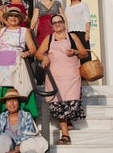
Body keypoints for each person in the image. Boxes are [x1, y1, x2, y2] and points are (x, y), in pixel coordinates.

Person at [35, 14, 88, 145]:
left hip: (71, 76)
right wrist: (44, 57)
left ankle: (68, 120)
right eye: (54, 23)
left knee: (70, 101)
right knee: (59, 103)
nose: (57, 24)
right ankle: (65, 134)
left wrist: (75, 52)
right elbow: (38, 53)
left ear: (64, 23)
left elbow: (84, 53)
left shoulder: (73, 36)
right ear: (52, 26)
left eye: (60, 22)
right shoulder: (49, 38)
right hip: (55, 76)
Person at [0, 6, 38, 120]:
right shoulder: (2, 30)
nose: (13, 18)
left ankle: (21, 117)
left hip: (16, 65)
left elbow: (33, 48)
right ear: (7, 18)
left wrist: (27, 53)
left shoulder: (25, 31)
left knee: (17, 88)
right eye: (11, 16)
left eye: (16, 16)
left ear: (19, 18)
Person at [30, 0, 66, 85]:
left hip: (55, 29)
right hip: (43, 30)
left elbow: (63, 17)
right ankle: (41, 80)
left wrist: (66, 29)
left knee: (56, 52)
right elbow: (34, 18)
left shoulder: (57, 3)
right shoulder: (38, 4)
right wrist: (30, 29)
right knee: (41, 53)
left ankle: (56, 78)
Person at [0, 89, 37, 153]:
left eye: (14, 100)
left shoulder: (26, 116)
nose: (12, 103)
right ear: (6, 105)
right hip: (5, 149)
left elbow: (29, 136)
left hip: (22, 148)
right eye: (9, 101)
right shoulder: (1, 117)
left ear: (19, 103)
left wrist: (16, 151)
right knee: (3, 137)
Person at [65, 0, 92, 64]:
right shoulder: (67, 7)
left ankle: (86, 74)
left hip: (81, 33)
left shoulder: (83, 5)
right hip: (71, 34)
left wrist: (87, 32)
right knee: (74, 55)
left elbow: (87, 19)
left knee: (84, 54)